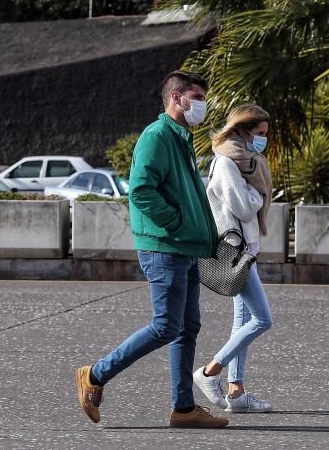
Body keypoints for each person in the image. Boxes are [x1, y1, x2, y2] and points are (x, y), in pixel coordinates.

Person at [75, 70, 229, 429]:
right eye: (197, 97)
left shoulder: (181, 138)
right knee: (165, 326)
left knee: (187, 327)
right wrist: (175, 224)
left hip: (184, 248)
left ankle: (184, 408)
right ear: (176, 98)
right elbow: (141, 191)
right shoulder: (157, 136)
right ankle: (95, 374)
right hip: (165, 248)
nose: (202, 105)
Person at [193, 103, 274, 413]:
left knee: (242, 320)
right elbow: (243, 206)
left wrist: (254, 194)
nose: (263, 140)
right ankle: (209, 371)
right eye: (260, 133)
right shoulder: (226, 163)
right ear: (242, 131)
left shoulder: (247, 163)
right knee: (263, 319)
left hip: (247, 251)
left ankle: (236, 394)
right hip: (234, 252)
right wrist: (259, 195)